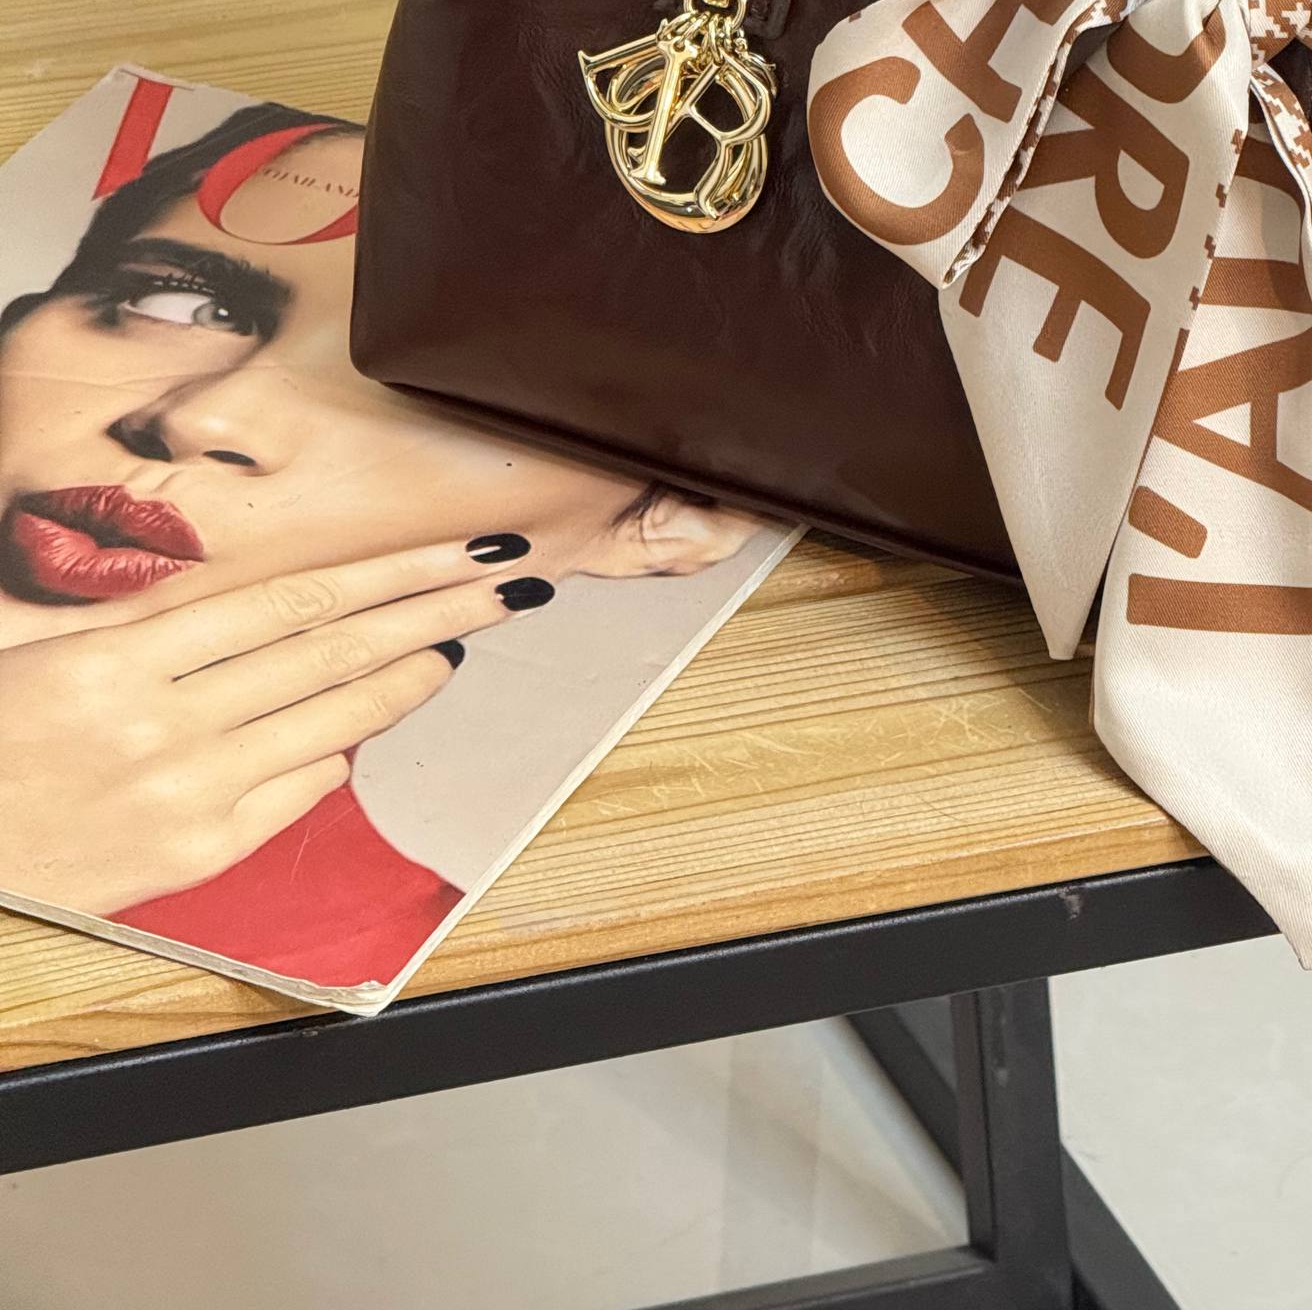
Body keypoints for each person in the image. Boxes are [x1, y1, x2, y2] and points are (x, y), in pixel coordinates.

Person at [0, 101, 762, 984]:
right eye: (178, 301)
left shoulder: (447, 980)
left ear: (682, 513)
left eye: (442, 389)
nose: (202, 419)